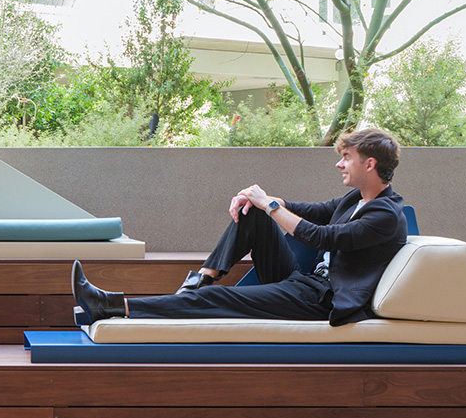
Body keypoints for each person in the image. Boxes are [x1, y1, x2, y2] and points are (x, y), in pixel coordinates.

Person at [71, 125, 409, 327]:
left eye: (346, 157)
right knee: (254, 213)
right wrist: (254, 197)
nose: (339, 163)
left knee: (218, 299)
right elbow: (312, 211)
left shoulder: (386, 215)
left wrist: (270, 202)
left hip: (324, 299)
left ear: (369, 163)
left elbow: (321, 236)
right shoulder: (355, 200)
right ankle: (199, 281)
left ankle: (114, 306)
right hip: (306, 283)